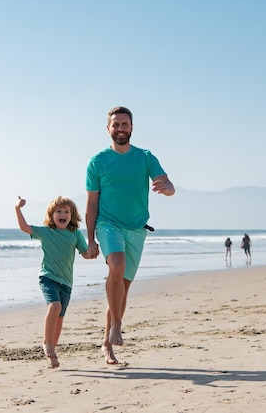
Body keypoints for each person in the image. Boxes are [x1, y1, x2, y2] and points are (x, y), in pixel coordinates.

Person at [86, 106, 175, 365]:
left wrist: (167, 187)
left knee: (122, 287)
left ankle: (107, 343)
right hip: (108, 224)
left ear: (132, 127)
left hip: (137, 229)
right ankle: (116, 325)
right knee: (116, 265)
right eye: (116, 124)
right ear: (108, 128)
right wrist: (91, 239)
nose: (121, 128)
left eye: (125, 124)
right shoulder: (98, 162)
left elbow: (167, 185)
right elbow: (92, 205)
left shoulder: (145, 157)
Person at [15, 195, 98, 368]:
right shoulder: (46, 231)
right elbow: (24, 227)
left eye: (67, 211)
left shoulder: (75, 234)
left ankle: (52, 348)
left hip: (66, 282)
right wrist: (18, 209)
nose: (63, 214)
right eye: (59, 211)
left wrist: (93, 251)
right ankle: (47, 343)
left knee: (60, 317)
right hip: (48, 277)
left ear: (72, 215)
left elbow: (86, 254)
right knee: (55, 307)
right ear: (52, 215)